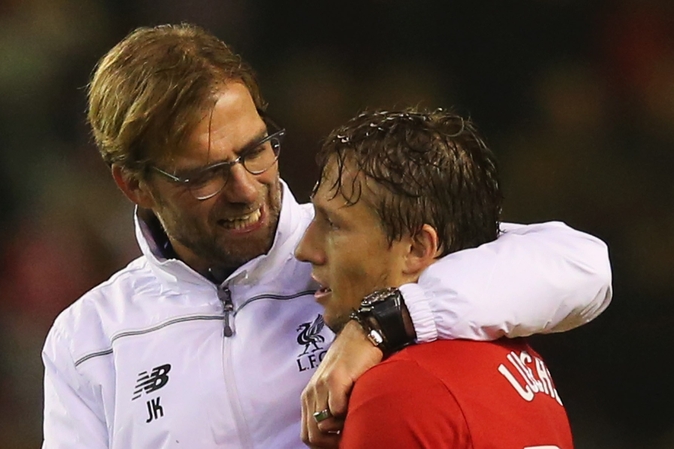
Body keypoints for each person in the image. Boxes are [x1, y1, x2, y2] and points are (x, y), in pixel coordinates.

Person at [42, 23, 611, 448]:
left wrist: (383, 321)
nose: (246, 188)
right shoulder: (87, 341)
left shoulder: (358, 250)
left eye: (255, 149)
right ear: (134, 185)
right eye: (205, 174)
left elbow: (584, 267)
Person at [296, 108, 576, 448]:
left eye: (333, 225)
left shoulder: (396, 392)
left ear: (416, 248)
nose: (305, 249)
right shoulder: (527, 365)